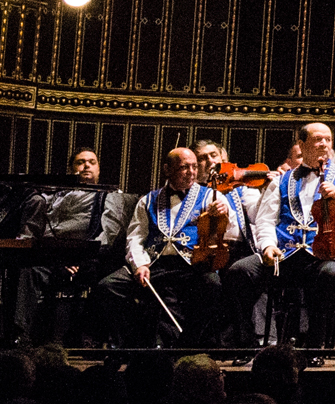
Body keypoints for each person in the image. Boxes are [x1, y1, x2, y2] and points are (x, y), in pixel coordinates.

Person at [241, 121, 335, 347]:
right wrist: (267, 246)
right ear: (301, 145)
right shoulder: (282, 180)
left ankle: (314, 347)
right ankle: (247, 345)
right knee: (240, 272)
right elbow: (265, 219)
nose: (324, 144)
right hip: (285, 256)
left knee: (331, 274)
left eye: (328, 139)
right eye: (318, 139)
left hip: (322, 256)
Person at [94, 145, 226, 345]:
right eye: (184, 167)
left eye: (194, 167)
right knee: (108, 286)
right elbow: (136, 237)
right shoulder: (148, 200)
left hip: (192, 266)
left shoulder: (211, 196)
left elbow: (229, 231)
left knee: (212, 285)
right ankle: (133, 342)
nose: (191, 172)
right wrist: (140, 264)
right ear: (167, 170)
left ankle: (189, 344)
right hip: (155, 264)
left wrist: (224, 212)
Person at [12, 146, 118, 345]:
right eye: (80, 162)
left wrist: (80, 255)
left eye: (91, 162)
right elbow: (39, 227)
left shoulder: (109, 195)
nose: (86, 165)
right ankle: (20, 335)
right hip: (50, 256)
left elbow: (109, 234)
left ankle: (89, 338)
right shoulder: (53, 195)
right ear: (72, 169)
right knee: (27, 269)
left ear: (99, 169)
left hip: (83, 257)